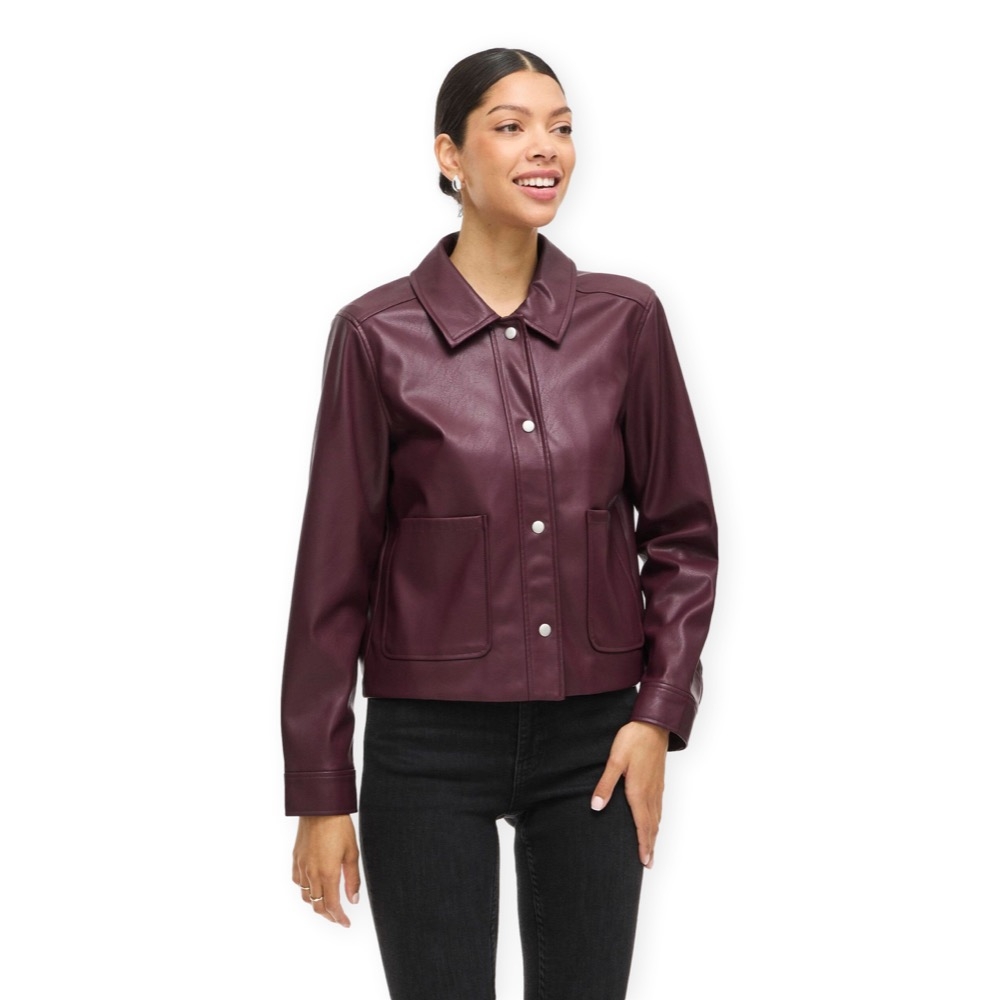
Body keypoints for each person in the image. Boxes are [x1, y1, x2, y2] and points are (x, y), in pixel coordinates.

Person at [280, 47, 718, 1000]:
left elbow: (682, 538)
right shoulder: (376, 336)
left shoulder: (627, 322)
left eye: (561, 127)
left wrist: (656, 715)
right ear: (450, 155)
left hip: (596, 743)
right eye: (511, 127)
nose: (545, 148)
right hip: (424, 752)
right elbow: (332, 578)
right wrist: (320, 791)